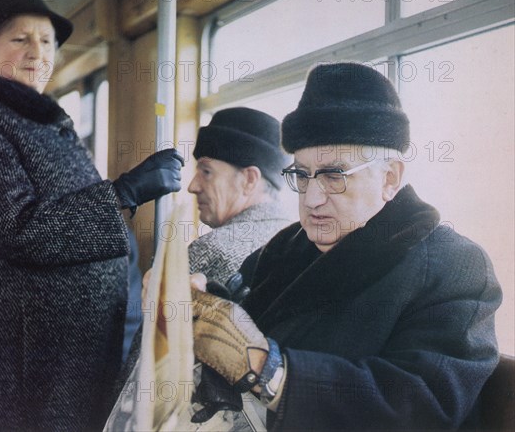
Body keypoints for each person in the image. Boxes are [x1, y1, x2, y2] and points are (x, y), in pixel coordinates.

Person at [190, 62, 502, 431]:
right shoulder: (287, 246)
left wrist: (269, 370)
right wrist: (200, 304)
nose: (312, 199)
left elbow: (422, 404)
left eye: (334, 176)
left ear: (390, 178)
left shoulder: (455, 267)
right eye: (302, 176)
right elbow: (246, 317)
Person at [0, 0, 183, 431]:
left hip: (65, 354)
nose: (39, 52)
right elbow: (18, 229)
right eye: (20, 38)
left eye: (47, 41)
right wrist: (124, 193)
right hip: (26, 363)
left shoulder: (39, 120)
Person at [188, 107, 291, 289]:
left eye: (206, 172)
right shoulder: (298, 240)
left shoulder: (211, 250)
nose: (193, 187)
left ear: (249, 179)